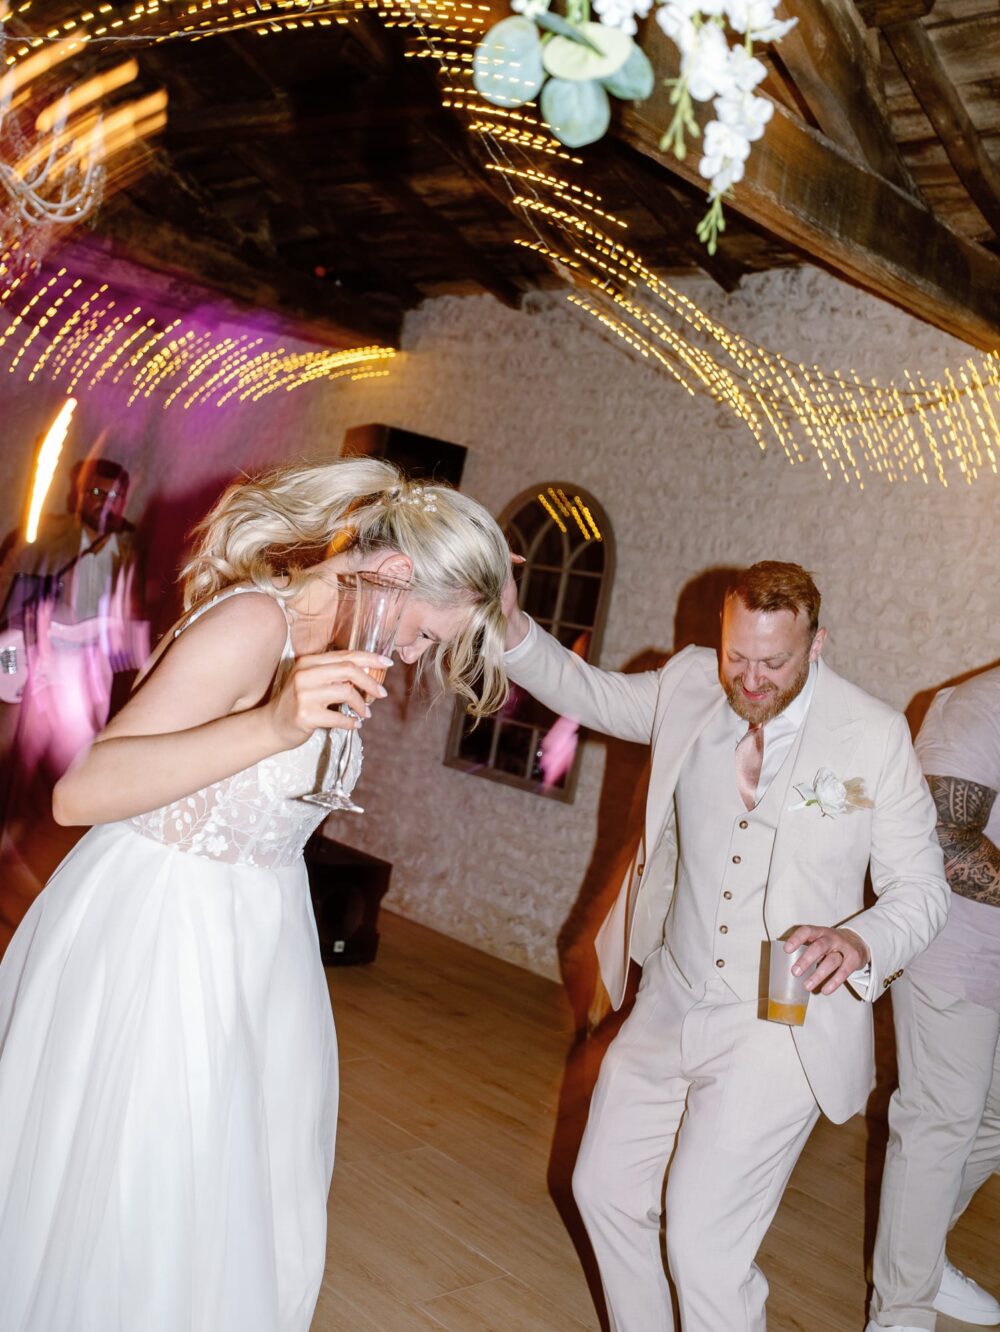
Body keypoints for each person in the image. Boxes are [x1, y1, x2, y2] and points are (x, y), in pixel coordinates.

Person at [0, 456, 512, 1332]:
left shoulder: (345, 644)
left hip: (261, 935)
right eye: (426, 632)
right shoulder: (250, 625)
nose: (419, 655)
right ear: (390, 578)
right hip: (162, 934)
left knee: (247, 1196)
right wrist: (270, 724)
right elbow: (79, 793)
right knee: (146, 1189)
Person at [501, 560, 949, 1332]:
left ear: (817, 645)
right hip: (673, 992)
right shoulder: (689, 684)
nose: (750, 678)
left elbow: (922, 890)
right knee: (603, 1190)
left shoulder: (870, 734)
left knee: (706, 1247)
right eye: (736, 656)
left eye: (772, 662)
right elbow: (594, 695)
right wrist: (509, 627)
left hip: (781, 1012)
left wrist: (858, 936)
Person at [868, 665, 1000, 1332]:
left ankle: (920, 1256)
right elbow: (946, 843)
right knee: (938, 1128)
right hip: (957, 956)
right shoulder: (978, 707)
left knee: (997, 1121)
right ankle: (900, 1313)